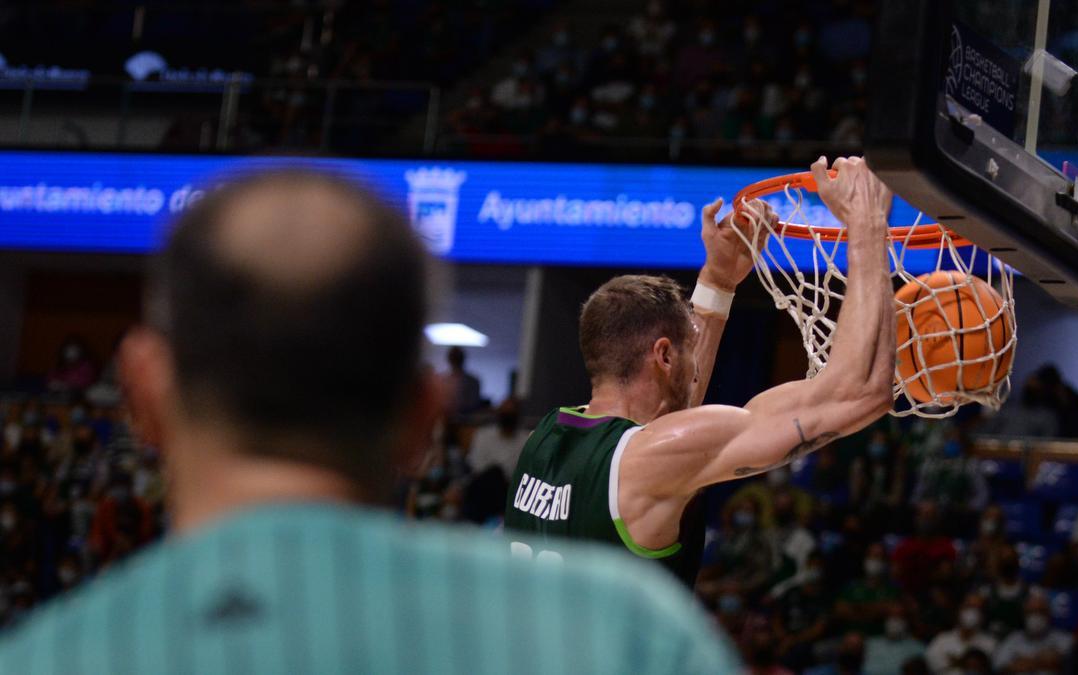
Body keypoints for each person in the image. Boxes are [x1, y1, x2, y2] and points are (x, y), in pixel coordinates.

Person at [0, 170, 739, 674]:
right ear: (426, 415)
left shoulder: (45, 657)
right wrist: (858, 235)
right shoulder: (625, 632)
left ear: (142, 395)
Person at [504, 157, 897, 585]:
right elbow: (858, 392)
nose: (696, 366)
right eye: (688, 350)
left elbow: (665, 426)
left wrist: (718, 282)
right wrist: (868, 225)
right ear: (664, 356)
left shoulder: (542, 440)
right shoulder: (646, 462)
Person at [992, 593, 1072, 675]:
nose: (1036, 616)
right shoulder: (1013, 638)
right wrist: (1043, 662)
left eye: (1041, 611)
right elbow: (1000, 666)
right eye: (1031, 612)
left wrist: (1021, 662)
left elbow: (1069, 664)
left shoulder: (1064, 639)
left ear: (1049, 614)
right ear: (1024, 615)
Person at [925, 594, 998, 675]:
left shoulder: (991, 644)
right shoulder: (941, 640)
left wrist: (957, 661)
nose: (971, 612)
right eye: (968, 606)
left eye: (977, 609)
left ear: (983, 615)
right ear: (959, 610)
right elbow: (932, 666)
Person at [864, 604, 926, 675]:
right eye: (891, 617)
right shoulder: (871, 643)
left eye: (898, 617)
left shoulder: (918, 647)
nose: (894, 622)